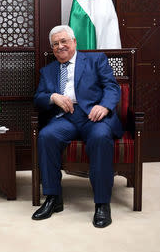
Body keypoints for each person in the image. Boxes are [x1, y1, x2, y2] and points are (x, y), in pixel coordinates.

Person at [32, 25, 123, 228]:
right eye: (55, 44)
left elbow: (112, 86)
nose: (60, 46)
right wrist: (52, 97)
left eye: (64, 41)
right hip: (66, 118)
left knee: (100, 138)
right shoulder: (48, 71)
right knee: (46, 136)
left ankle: (102, 204)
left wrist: (105, 106)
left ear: (74, 42)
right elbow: (38, 98)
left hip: (93, 116)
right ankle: (53, 198)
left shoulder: (95, 60)